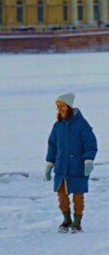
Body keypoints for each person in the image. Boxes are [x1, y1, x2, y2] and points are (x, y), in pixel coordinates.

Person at [45, 92, 98, 233]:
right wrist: (49, 165)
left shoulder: (82, 124)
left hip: (78, 167)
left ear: (68, 106)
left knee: (78, 197)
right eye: (57, 106)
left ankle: (77, 222)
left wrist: (89, 160)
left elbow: (91, 144)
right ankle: (66, 220)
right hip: (61, 167)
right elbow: (52, 145)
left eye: (61, 106)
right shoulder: (57, 126)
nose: (59, 109)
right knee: (61, 196)